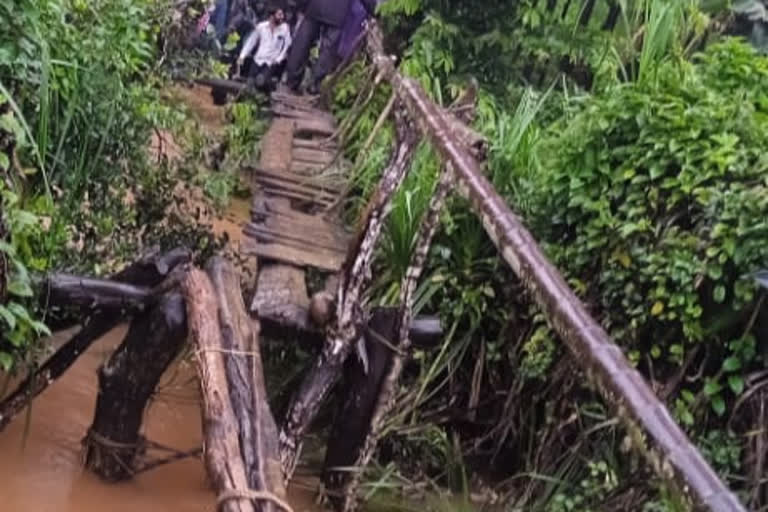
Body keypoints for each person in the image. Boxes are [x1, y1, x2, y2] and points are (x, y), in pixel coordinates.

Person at [285, 0, 377, 95]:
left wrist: (301, 5)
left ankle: (292, 80)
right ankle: (314, 85)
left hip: (315, 6)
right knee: (328, 49)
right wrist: (377, 12)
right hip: (338, 13)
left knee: (303, 41)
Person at [235, 7, 292, 92]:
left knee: (261, 81)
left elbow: (287, 45)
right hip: (258, 59)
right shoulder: (261, 27)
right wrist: (242, 56)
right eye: (279, 15)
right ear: (272, 16)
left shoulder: (284, 28)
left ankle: (269, 92)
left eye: (282, 15)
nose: (282, 17)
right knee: (250, 82)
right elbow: (251, 42)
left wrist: (279, 59)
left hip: (271, 62)